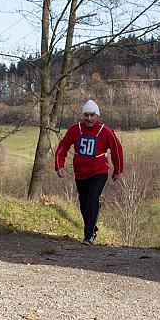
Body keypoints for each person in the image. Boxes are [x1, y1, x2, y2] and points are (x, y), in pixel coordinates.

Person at [54, 100, 124, 245]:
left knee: (92, 198)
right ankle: (92, 226)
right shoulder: (75, 129)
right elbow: (63, 146)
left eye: (92, 115)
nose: (89, 119)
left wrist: (118, 170)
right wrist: (59, 165)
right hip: (81, 172)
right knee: (84, 202)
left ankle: (88, 235)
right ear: (82, 116)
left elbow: (117, 150)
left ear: (97, 115)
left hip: (99, 171)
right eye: (86, 115)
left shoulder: (105, 131)